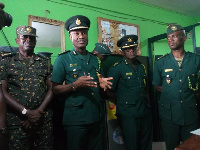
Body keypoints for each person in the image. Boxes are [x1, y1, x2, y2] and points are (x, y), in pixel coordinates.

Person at [51, 15, 113, 150]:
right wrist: (74, 85)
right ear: (70, 37)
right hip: (76, 120)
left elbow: (100, 84)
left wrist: (103, 85)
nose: (81, 36)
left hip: (96, 116)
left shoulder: (95, 59)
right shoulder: (63, 59)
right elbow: (55, 89)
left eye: (84, 33)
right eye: (77, 33)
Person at [0, 25, 54, 150]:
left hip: (42, 121)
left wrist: (38, 112)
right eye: (24, 37)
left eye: (32, 38)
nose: (28, 40)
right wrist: (26, 112)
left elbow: (52, 88)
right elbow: (2, 91)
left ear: (35, 41)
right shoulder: (6, 62)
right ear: (17, 40)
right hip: (17, 121)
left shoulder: (45, 62)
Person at [152, 23, 200, 150]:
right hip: (169, 115)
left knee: (191, 146)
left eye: (174, 36)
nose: (170, 40)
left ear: (184, 38)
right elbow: (157, 85)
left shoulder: (196, 60)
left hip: (190, 113)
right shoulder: (161, 62)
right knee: (172, 147)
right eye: (168, 37)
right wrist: (172, 92)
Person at [107, 35, 152, 150]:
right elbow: (107, 90)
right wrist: (120, 100)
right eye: (128, 49)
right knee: (132, 144)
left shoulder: (141, 66)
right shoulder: (117, 68)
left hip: (144, 111)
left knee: (146, 143)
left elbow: (145, 87)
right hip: (128, 114)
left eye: (133, 48)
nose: (131, 51)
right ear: (123, 51)